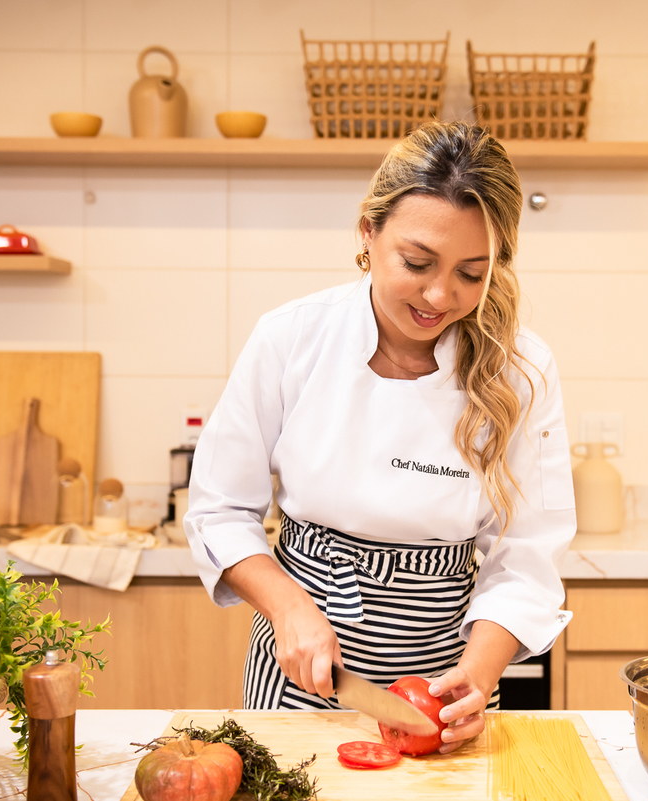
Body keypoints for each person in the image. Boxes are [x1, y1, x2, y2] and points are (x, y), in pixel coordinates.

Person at [185, 120, 576, 754]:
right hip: (300, 673)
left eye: (471, 274)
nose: (439, 294)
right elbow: (219, 509)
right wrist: (285, 606)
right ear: (368, 233)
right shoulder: (292, 337)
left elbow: (527, 555)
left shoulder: (520, 367)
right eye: (417, 263)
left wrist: (475, 679)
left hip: (445, 686)